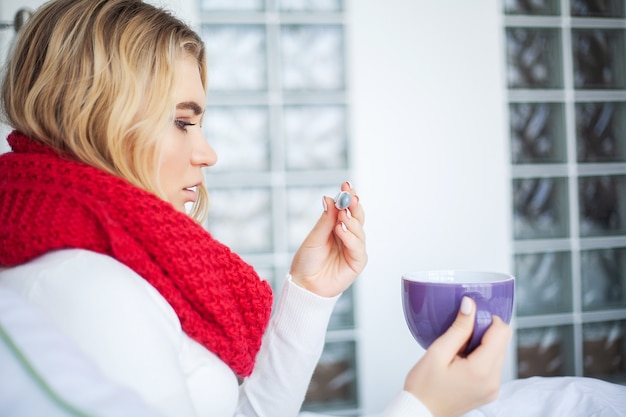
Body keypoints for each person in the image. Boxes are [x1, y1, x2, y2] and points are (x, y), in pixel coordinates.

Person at [0, 0, 512, 416]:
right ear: (97, 116)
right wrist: (425, 408)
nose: (208, 153)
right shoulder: (88, 288)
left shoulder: (111, 260)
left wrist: (310, 292)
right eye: (183, 122)